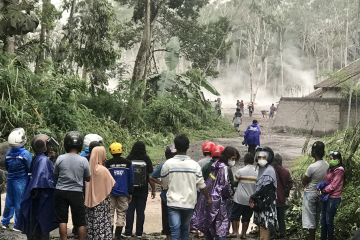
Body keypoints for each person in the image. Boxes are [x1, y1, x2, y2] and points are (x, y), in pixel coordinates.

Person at [161, 134, 211, 240]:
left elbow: (164, 185)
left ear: (175, 147)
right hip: (189, 203)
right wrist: (208, 198)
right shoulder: (195, 165)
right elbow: (202, 185)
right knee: (185, 230)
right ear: (188, 147)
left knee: (175, 231)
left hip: (173, 203)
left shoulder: (168, 164)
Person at [17, 134, 58, 240]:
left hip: (36, 199)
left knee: (35, 227)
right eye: (48, 145)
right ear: (44, 146)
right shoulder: (44, 160)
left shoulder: (38, 158)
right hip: (41, 199)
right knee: (41, 227)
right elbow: (41, 181)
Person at [53, 131, 91, 240]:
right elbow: (88, 178)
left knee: (62, 220)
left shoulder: (60, 158)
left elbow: (55, 175)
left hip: (61, 191)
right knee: (80, 221)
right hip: (76, 193)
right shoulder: (83, 160)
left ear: (66, 144)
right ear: (80, 145)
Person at [196, 146, 237, 240]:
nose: (233, 161)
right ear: (228, 157)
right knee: (221, 227)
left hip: (210, 199)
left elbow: (209, 182)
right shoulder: (225, 169)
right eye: (233, 159)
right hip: (221, 202)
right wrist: (231, 196)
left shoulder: (215, 166)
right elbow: (227, 186)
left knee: (210, 225)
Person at [2, 128, 32, 231]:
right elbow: (30, 166)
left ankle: (5, 222)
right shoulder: (25, 154)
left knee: (9, 201)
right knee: (20, 202)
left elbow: (6, 166)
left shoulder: (8, 154)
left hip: (10, 179)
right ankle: (17, 224)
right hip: (21, 181)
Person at [124, 141, 155, 238]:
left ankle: (128, 232)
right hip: (143, 189)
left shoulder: (129, 158)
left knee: (130, 211)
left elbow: (126, 175)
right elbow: (150, 176)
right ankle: (139, 233)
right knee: (141, 212)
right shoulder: (146, 158)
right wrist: (153, 189)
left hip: (130, 190)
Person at [85, 146, 115, 240]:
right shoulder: (103, 170)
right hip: (102, 203)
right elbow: (112, 184)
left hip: (90, 202)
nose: (105, 157)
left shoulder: (88, 169)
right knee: (102, 222)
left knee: (92, 223)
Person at [105, 142, 134, 239]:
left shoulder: (107, 164)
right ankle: (117, 235)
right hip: (123, 192)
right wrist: (130, 192)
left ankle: (109, 234)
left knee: (110, 212)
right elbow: (131, 179)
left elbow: (105, 179)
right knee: (121, 213)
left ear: (111, 151)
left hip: (110, 192)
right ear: (122, 150)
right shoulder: (128, 163)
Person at [302, 141, 329, 240]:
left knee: (310, 221)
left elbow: (304, 181)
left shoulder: (312, 167)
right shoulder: (327, 165)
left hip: (310, 194)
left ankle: (311, 238)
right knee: (318, 217)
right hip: (321, 194)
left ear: (313, 152)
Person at [149, 145, 177, 239]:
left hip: (166, 193)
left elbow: (152, 177)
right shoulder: (181, 163)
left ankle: (168, 233)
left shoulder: (163, 165)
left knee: (166, 214)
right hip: (179, 193)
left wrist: (161, 183)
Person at [249, 147, 277, 240]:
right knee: (262, 227)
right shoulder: (260, 169)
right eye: (259, 157)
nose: (261, 160)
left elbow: (267, 189)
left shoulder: (269, 170)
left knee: (265, 227)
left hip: (266, 204)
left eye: (263, 157)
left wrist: (254, 196)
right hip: (261, 203)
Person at [230, 153, 257, 239]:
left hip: (239, 198)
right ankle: (244, 234)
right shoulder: (257, 172)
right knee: (246, 217)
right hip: (250, 199)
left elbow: (234, 183)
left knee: (235, 215)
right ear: (253, 161)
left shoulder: (240, 171)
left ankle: (235, 232)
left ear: (245, 161)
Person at [320, 151, 344, 240]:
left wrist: (324, 190)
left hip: (333, 198)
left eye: (333, 158)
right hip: (326, 197)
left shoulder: (340, 170)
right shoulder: (331, 169)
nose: (331, 160)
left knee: (329, 220)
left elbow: (333, 185)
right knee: (323, 220)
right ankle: (323, 238)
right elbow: (327, 181)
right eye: (330, 158)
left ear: (338, 160)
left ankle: (330, 238)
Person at [272, 153, 293, 239]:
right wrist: (286, 193)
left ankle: (272, 234)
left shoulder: (270, 171)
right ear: (280, 161)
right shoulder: (286, 172)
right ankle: (282, 234)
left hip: (272, 199)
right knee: (281, 219)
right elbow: (290, 183)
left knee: (272, 218)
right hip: (281, 199)